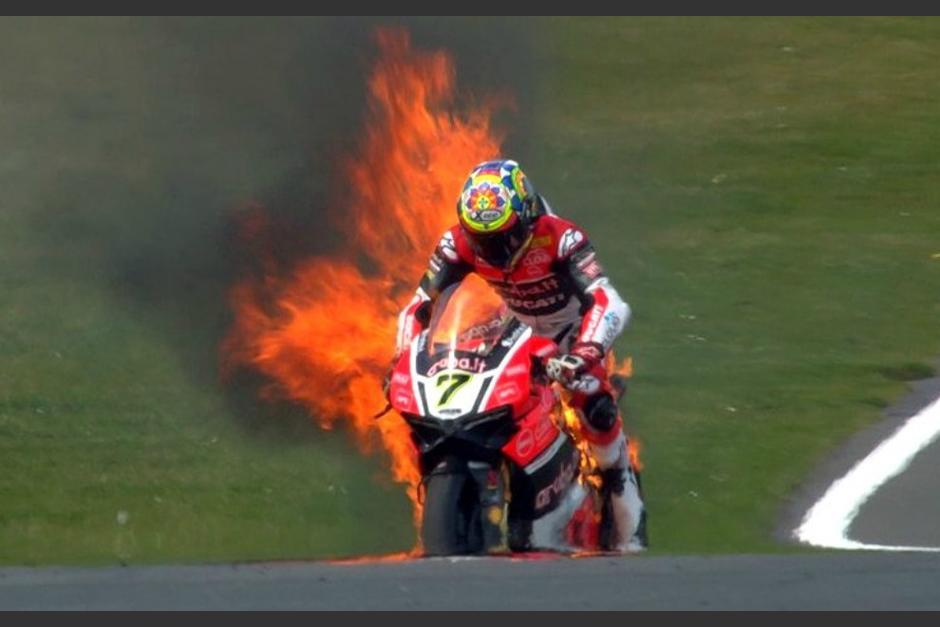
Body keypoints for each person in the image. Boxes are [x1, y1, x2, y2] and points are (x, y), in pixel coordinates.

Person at [395, 159, 646, 551]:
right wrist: (403, 357)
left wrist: (584, 353)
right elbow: (419, 306)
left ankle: (623, 503)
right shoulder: (458, 242)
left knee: (595, 408)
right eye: (481, 238)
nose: (491, 249)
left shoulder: (561, 238)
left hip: (572, 334)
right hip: (513, 329)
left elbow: (608, 300)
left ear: (526, 219)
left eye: (503, 237)